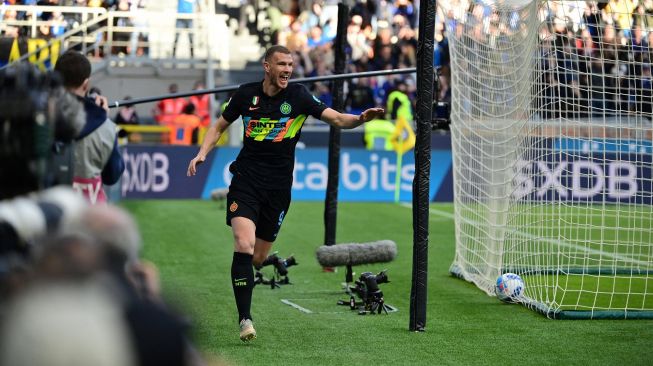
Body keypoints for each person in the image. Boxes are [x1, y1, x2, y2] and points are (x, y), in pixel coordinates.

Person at [186, 45, 384, 343]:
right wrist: (202, 153)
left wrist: (360, 119)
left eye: (291, 64)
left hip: (278, 190)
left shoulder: (300, 96)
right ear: (267, 67)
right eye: (282, 64)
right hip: (246, 181)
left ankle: (257, 267)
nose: (288, 69)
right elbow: (219, 126)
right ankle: (245, 319)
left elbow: (337, 119)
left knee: (256, 257)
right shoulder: (245, 94)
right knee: (243, 243)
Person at [54, 50, 125, 205]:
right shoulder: (106, 127)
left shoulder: (40, 118)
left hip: (49, 217)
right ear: (86, 84)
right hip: (91, 220)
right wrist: (100, 117)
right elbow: (112, 175)